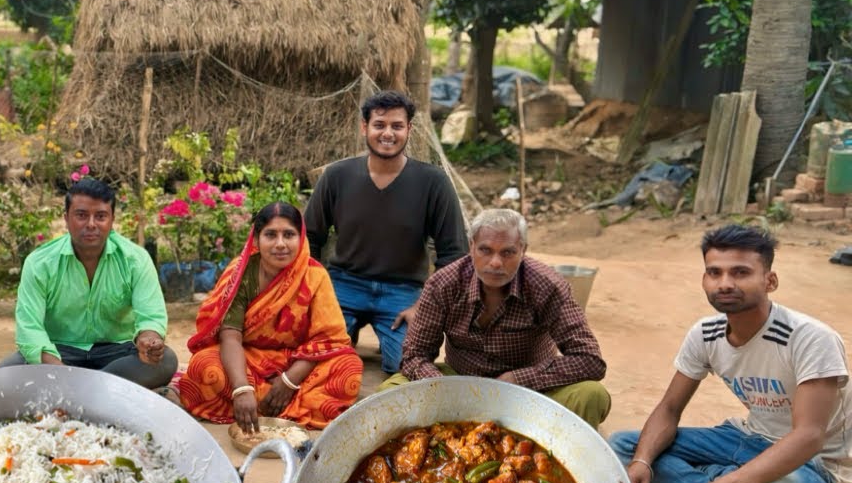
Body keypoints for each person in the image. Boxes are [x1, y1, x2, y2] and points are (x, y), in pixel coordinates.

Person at [610, 225, 850, 483]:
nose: (725, 283)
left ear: (770, 281)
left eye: (740, 272)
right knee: (625, 447)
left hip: (814, 465)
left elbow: (809, 436)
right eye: (714, 272)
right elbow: (669, 409)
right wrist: (642, 462)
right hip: (743, 439)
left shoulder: (810, 338)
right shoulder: (705, 334)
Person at [382, 209, 611, 428]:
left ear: (523, 250)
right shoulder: (443, 284)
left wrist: (519, 378)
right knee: (389, 392)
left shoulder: (547, 286)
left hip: (532, 393)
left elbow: (589, 360)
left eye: (507, 252)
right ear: (471, 247)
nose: (495, 262)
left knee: (591, 394)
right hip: (461, 382)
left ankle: (566, 453)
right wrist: (444, 388)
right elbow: (414, 356)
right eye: (485, 250)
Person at [304, 90, 469, 374]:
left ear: (409, 130)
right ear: (364, 127)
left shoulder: (433, 182)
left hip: (403, 290)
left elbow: (454, 253)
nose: (388, 133)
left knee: (406, 365)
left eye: (397, 126)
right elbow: (310, 237)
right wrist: (318, 291)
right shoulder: (337, 176)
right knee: (320, 358)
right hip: (344, 284)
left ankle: (370, 334)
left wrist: (423, 306)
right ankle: (346, 331)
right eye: (379, 125)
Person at [178, 202, 363, 431]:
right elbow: (230, 335)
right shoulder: (241, 272)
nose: (280, 244)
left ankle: (261, 406)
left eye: (289, 235)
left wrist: (288, 381)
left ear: (301, 237)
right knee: (204, 365)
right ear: (256, 239)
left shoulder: (315, 276)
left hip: (298, 362)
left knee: (348, 368)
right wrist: (241, 388)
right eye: (270, 235)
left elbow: (327, 341)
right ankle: (261, 403)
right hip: (248, 360)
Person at [0, 177, 177, 387]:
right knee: (8, 372)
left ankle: (76, 390)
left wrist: (149, 341)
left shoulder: (135, 259)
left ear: (112, 220)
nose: (91, 224)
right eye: (81, 215)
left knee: (165, 361)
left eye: (100, 216)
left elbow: (151, 317)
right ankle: (103, 389)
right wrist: (57, 368)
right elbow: (29, 329)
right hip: (57, 354)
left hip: (117, 353)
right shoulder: (39, 263)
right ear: (66, 218)